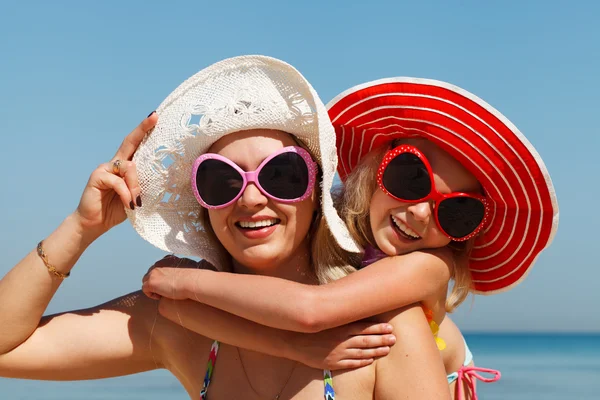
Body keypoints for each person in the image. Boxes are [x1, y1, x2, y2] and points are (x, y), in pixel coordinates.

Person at [0, 56, 451, 399]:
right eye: (222, 180)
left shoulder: (383, 330)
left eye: (281, 175)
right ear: (202, 201)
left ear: (315, 188)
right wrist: (81, 228)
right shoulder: (178, 320)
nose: (252, 197)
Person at [143, 77, 559, 399]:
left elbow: (312, 310)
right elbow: (181, 316)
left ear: (463, 235)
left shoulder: (426, 266)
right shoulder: (338, 251)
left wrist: (185, 282)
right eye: (410, 177)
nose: (419, 211)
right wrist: (289, 347)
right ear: (376, 169)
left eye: (456, 210)